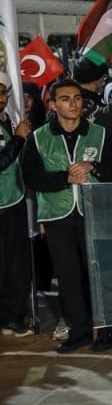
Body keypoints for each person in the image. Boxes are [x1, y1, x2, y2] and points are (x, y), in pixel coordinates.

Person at [21, 78, 112, 353]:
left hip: (94, 211)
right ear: (53, 105)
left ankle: (104, 330)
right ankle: (80, 331)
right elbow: (32, 177)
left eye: (77, 98)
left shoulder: (99, 133)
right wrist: (66, 177)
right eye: (65, 99)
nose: (73, 104)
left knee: (96, 273)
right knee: (68, 276)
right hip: (57, 215)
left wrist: (93, 166)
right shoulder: (38, 137)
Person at [0, 74, 34, 337]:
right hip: (3, 206)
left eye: (4, 94)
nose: (2, 99)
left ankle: (12, 316)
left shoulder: (5, 121)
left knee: (16, 263)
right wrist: (19, 138)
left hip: (14, 201)